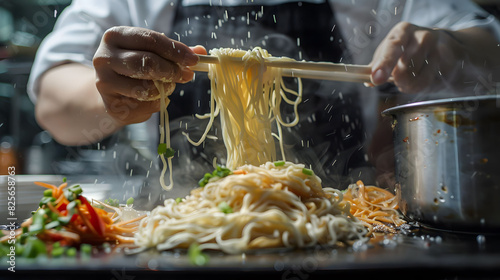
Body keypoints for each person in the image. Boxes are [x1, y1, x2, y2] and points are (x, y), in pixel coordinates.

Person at [27, 0, 500, 194]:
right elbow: (53, 105)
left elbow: (488, 43)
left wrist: (451, 51)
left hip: (337, 218)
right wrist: (112, 95)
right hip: (181, 221)